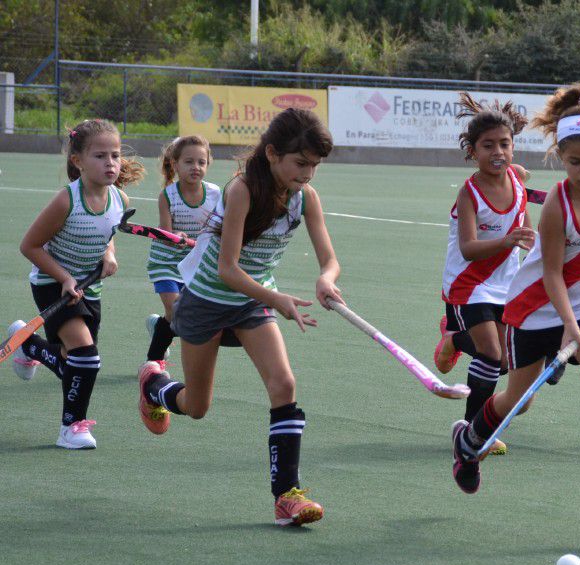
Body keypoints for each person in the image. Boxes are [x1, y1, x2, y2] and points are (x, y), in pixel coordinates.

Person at [451, 84, 580, 518]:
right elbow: (551, 273)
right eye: (574, 162)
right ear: (560, 157)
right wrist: (566, 322)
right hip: (533, 309)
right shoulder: (556, 207)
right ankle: (469, 443)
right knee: (515, 400)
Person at [136, 108, 344, 527]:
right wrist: (278, 298)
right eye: (300, 163)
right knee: (196, 407)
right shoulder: (242, 190)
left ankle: (287, 497)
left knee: (283, 384)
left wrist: (326, 279)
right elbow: (226, 268)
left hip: (252, 302)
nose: (307, 174)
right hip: (207, 302)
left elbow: (330, 258)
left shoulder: (306, 198)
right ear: (271, 153)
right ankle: (154, 384)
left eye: (314, 166)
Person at [7, 118, 144, 449]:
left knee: (74, 363)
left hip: (89, 288)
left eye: (114, 155)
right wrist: (65, 278)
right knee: (87, 356)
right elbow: (30, 246)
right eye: (99, 156)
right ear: (77, 160)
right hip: (52, 283)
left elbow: (108, 232)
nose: (110, 163)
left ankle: (29, 344)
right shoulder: (66, 200)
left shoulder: (120, 200)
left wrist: (110, 253)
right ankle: (72, 428)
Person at [434, 92, 536, 456]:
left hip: (508, 285)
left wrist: (530, 238)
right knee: (492, 355)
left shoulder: (518, 179)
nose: (498, 152)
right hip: (469, 285)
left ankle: (454, 342)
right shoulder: (469, 193)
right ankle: (474, 429)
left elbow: (524, 223)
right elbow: (468, 248)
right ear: (472, 151)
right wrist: (509, 240)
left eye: (504, 144)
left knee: (505, 360)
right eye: (487, 145)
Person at [145, 135, 220, 367]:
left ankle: (159, 328)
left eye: (201, 162)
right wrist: (176, 238)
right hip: (166, 263)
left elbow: (220, 228)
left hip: (197, 264)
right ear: (175, 165)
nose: (195, 167)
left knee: (180, 317)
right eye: (189, 162)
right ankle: (154, 365)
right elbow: (166, 233)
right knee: (177, 310)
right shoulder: (168, 195)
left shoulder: (216, 193)